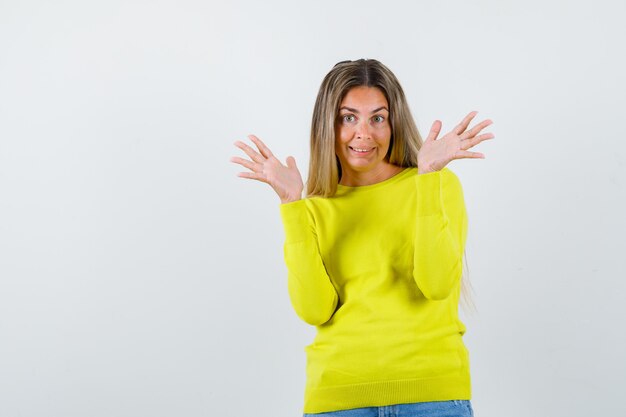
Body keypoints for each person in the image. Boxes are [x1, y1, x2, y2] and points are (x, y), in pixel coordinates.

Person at [230, 59, 494, 417]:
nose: (363, 134)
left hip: (432, 396)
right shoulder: (315, 208)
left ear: (394, 122)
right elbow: (314, 310)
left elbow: (435, 285)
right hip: (338, 401)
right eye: (348, 117)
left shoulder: (437, 184)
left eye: (378, 118)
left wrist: (428, 176)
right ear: (328, 124)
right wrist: (292, 205)